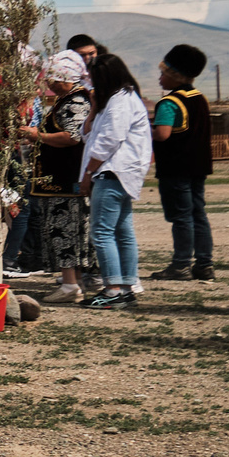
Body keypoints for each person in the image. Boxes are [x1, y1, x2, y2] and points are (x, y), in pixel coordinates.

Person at [75, 51, 152, 308]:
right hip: (119, 173)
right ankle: (127, 285)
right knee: (121, 230)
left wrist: (88, 173)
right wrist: (94, 108)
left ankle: (112, 289)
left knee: (102, 232)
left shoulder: (121, 102)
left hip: (113, 172)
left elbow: (108, 141)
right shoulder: (117, 101)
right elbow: (87, 135)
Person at [19, 51, 94, 303]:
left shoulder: (75, 103)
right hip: (57, 178)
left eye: (52, 77)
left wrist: (36, 135)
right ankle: (74, 280)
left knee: (65, 229)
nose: (48, 83)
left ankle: (70, 284)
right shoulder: (67, 100)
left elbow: (73, 137)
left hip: (66, 178)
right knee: (61, 228)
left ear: (65, 77)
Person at [146, 45, 215, 282]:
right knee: (198, 213)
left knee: (181, 216)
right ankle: (204, 263)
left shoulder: (169, 102)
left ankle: (181, 264)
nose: (159, 78)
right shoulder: (199, 98)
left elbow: (162, 134)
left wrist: (144, 129)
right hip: (198, 166)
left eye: (163, 73)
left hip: (175, 168)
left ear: (174, 75)